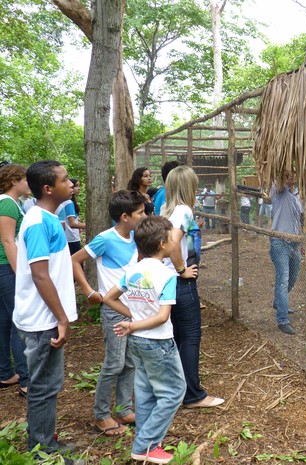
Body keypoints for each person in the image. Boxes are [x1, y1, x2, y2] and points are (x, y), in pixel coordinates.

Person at [103, 216, 186, 464]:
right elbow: (162, 317)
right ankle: (144, 445)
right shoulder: (167, 275)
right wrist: (134, 321)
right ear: (162, 244)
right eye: (172, 238)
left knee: (146, 391)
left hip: (138, 342)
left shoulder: (134, 271)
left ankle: (149, 441)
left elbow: (109, 297)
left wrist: (133, 317)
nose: (174, 242)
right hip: (158, 343)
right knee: (174, 392)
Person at [13, 160, 78, 458]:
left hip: (47, 318)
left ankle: (45, 442)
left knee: (49, 385)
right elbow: (40, 273)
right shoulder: (38, 221)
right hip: (43, 321)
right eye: (65, 180)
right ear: (48, 188)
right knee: (41, 388)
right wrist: (61, 318)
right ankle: (42, 453)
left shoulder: (49, 218)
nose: (72, 184)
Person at [72, 190, 146, 436]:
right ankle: (101, 415)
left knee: (131, 362)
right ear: (125, 216)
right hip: (114, 312)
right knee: (114, 362)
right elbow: (75, 260)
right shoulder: (105, 239)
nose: (143, 216)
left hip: (134, 310)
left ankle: (124, 409)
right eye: (140, 213)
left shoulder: (136, 237)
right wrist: (90, 291)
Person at [162, 165, 224, 408]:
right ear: (188, 187)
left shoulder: (167, 210)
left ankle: (178, 389)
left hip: (167, 282)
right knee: (190, 336)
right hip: (180, 282)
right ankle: (193, 395)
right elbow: (174, 242)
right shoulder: (183, 210)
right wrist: (182, 270)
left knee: (177, 336)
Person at [0, 163, 30, 397]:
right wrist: (19, 271)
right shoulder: (8, 203)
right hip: (7, 270)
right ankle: (26, 380)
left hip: (4, 269)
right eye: (25, 180)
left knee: (5, 323)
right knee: (18, 323)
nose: (28, 184)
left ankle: (6, 372)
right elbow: (8, 241)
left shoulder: (10, 203)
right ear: (14, 181)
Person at [269, 171, 303, 335]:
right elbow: (279, 180)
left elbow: (298, 220)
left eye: (294, 173)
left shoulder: (297, 195)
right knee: (283, 279)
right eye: (288, 174)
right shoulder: (278, 191)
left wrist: (300, 240)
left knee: (293, 277)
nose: (292, 176)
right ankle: (282, 320)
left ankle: (278, 302)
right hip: (279, 242)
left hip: (295, 243)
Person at [57, 178, 86, 256]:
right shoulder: (69, 203)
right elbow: (72, 224)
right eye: (76, 186)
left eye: (79, 186)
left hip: (69, 238)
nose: (79, 188)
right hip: (72, 239)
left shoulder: (66, 202)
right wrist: (88, 225)